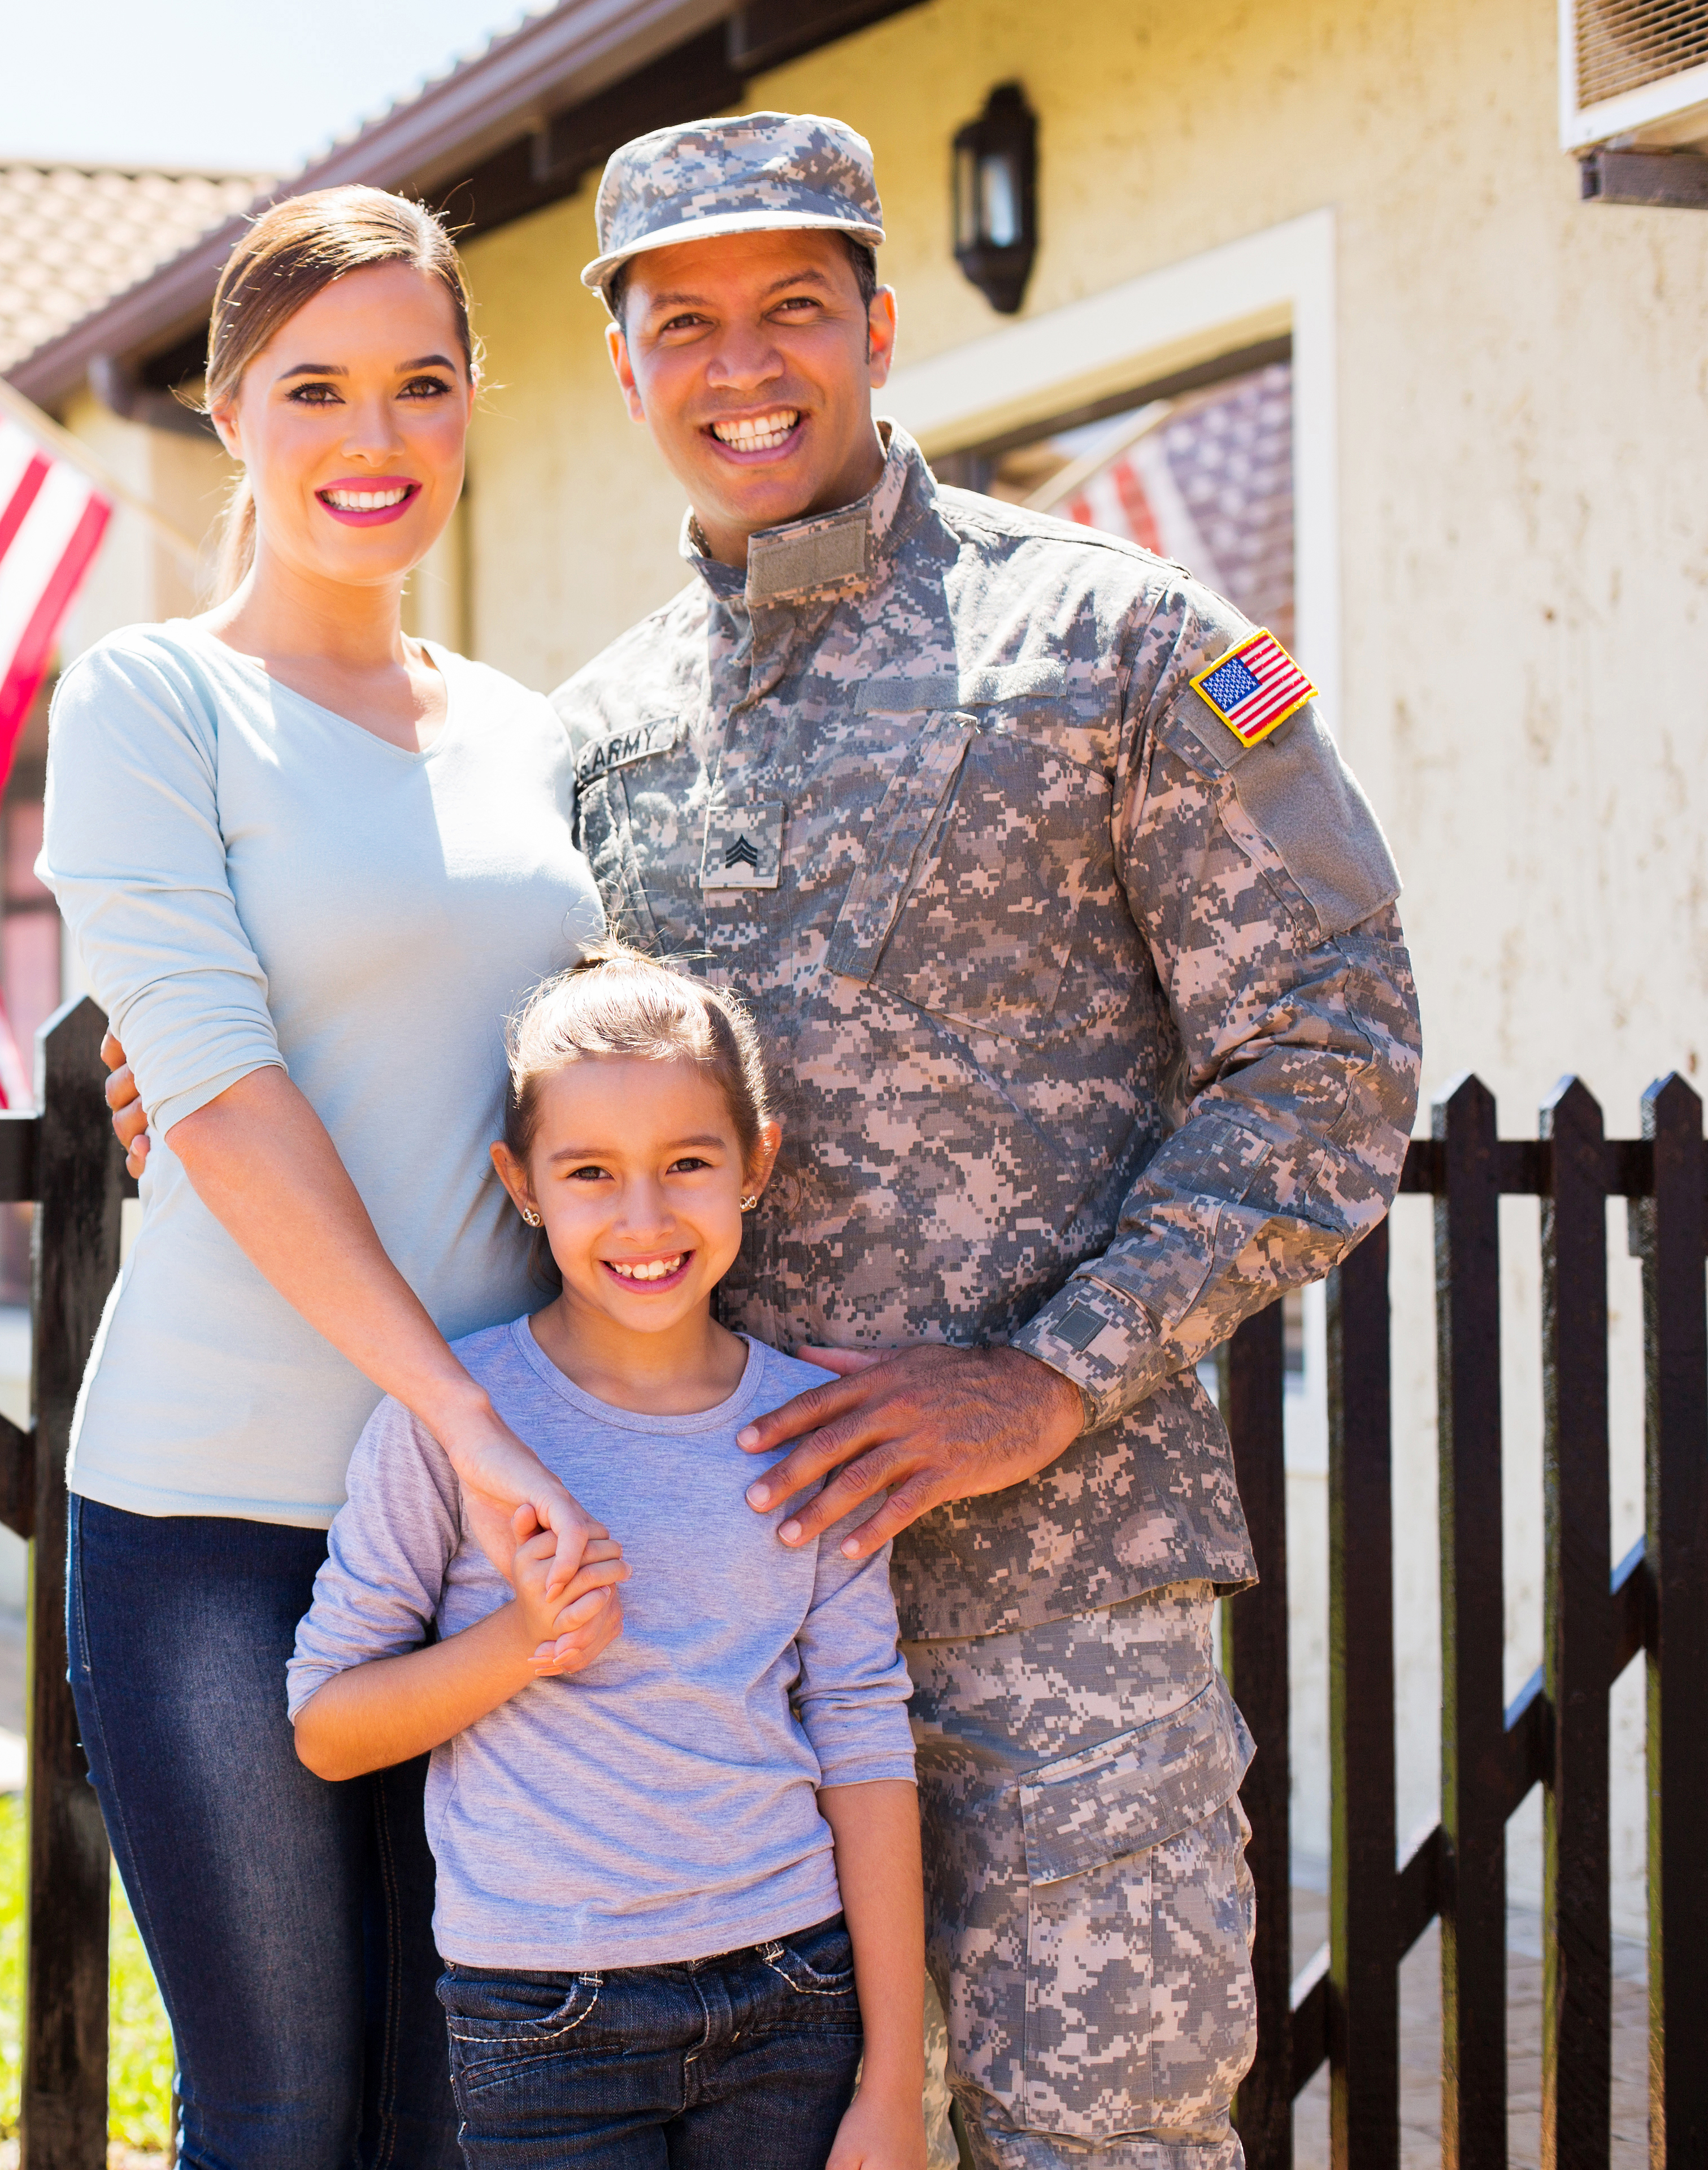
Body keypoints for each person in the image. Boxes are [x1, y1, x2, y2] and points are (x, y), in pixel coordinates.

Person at [106, 114, 1423, 2170]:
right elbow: (506, 1064)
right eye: (685, 324)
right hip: (698, 1649)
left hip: (1057, 1596)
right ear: (623, 375)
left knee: (1115, 2139)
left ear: (883, 327)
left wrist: (1045, 1382)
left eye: (796, 308)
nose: (745, 367)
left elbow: (1333, 1055)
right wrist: (179, 1073)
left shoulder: (1118, 641)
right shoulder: (589, 738)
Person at [34, 184, 611, 2168]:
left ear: (470, 409)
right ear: (229, 414)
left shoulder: (538, 741)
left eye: (421, 388)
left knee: (469, 2108)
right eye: (318, 392)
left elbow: (579, 1087)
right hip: (218, 1514)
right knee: (281, 2115)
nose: (375, 442)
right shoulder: (151, 704)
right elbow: (215, 1088)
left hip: (487, 1527)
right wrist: (461, 1412)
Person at [289, 947, 924, 2170]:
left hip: (794, 1993)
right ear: (518, 1183)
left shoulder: (805, 1430)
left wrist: (892, 2078)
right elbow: (328, 1725)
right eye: (590, 1173)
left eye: (688, 1163)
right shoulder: (459, 1425)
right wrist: (520, 1645)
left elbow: (861, 1730)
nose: (645, 1218)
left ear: (760, 1163)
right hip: (544, 2015)